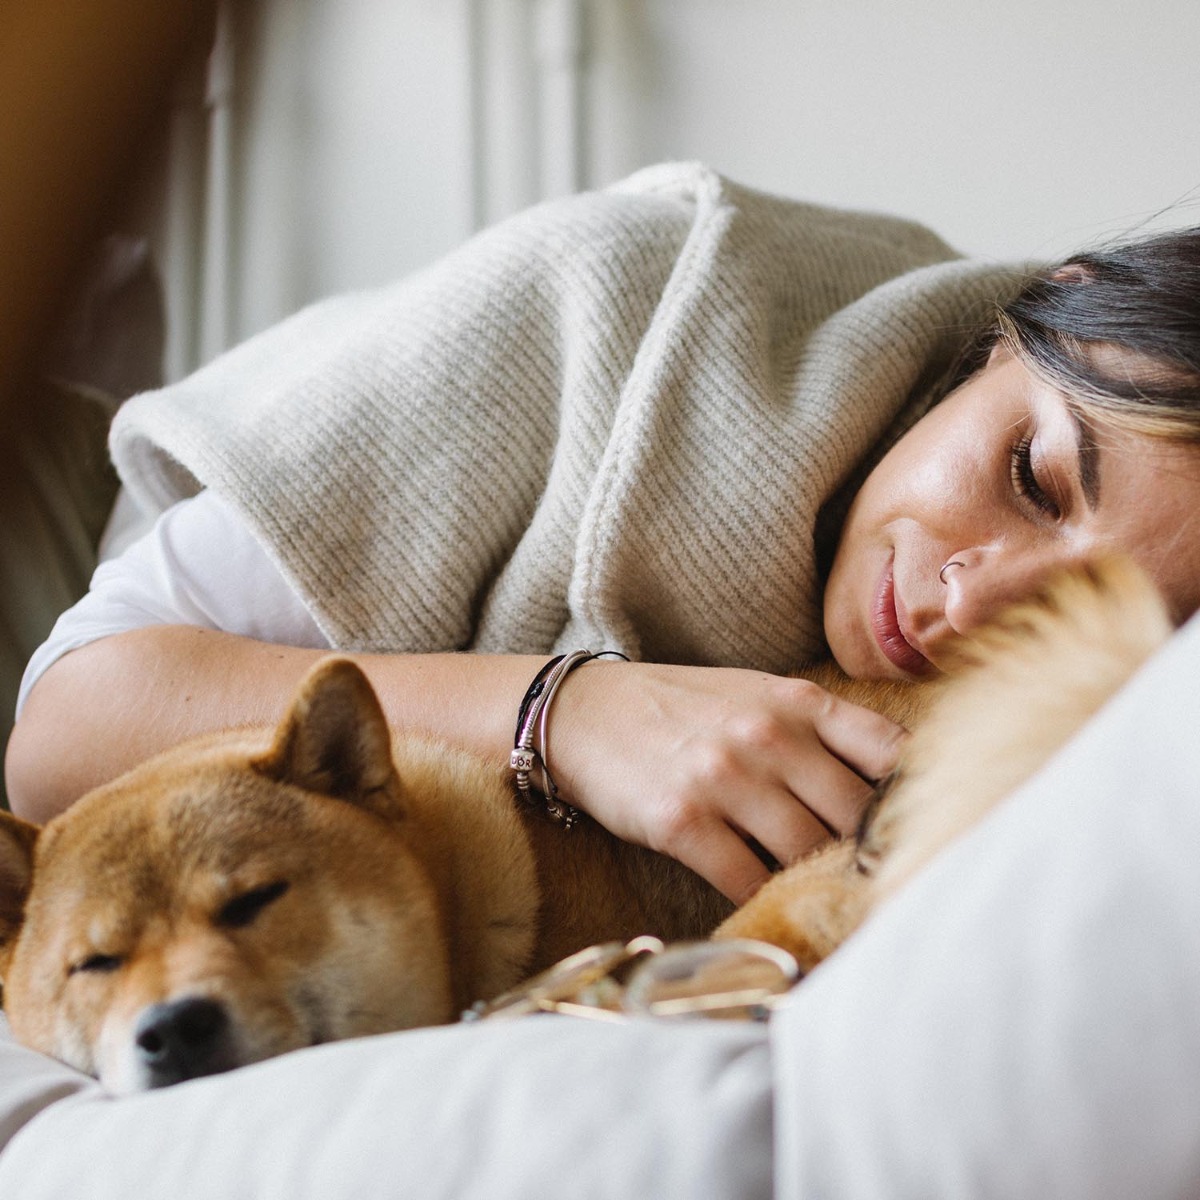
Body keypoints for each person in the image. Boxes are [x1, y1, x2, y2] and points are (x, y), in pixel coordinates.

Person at [7, 163, 1200, 906]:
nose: (970, 607)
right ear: (1028, 317)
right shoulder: (619, 296)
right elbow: (64, 732)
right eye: (1034, 479)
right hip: (81, 565)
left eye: (1084, 615)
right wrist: (569, 712)